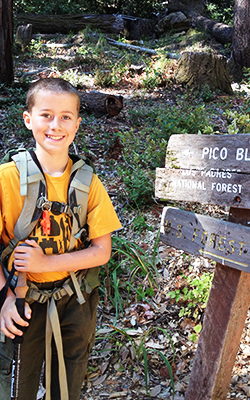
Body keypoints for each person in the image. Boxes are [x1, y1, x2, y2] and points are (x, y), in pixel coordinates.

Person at [0, 77, 122, 400]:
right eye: (46, 115)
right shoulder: (7, 179)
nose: (56, 125)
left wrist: (47, 262)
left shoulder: (88, 182)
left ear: (78, 124)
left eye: (66, 116)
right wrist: (4, 299)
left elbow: (102, 250)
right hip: (21, 301)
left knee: (66, 389)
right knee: (16, 390)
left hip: (75, 301)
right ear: (28, 119)